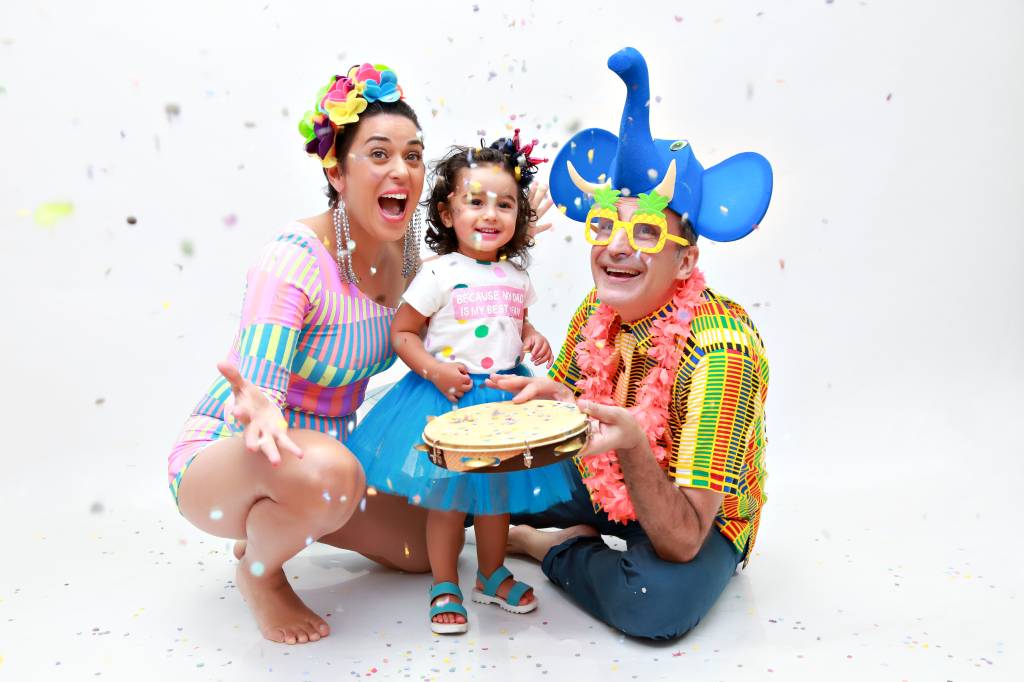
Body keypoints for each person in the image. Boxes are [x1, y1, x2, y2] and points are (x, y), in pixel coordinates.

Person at [488, 47, 774, 641]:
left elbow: (685, 537)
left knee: (654, 604)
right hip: (600, 469)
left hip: (698, 519)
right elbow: (579, 403)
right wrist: (557, 396)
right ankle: (552, 528)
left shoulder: (722, 352)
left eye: (645, 231)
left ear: (686, 258)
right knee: (475, 489)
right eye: (605, 226)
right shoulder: (599, 306)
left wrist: (637, 448)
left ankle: (550, 550)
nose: (617, 248)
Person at [167, 63, 436, 646]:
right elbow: (259, 386)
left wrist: (500, 254)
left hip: (323, 464)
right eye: (380, 153)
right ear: (337, 170)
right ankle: (259, 571)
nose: (402, 169)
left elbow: (458, 326)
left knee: (422, 552)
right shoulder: (292, 260)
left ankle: (278, 519)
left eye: (413, 156)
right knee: (332, 475)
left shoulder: (409, 258)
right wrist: (259, 407)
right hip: (229, 454)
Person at [345, 133, 578, 634]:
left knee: (496, 498)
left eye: (504, 203)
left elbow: (517, 321)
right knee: (449, 500)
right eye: (476, 202)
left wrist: (533, 337)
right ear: (449, 214)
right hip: (448, 396)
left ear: (519, 217)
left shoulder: (517, 276)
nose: (490, 213)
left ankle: (491, 574)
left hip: (504, 398)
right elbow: (403, 332)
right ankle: (444, 581)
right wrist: (434, 370)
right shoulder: (439, 275)